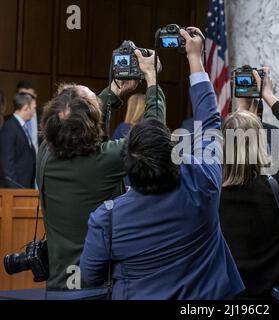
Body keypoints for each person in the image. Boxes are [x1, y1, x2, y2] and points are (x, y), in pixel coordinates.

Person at [80, 27, 244, 300]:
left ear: (126, 169)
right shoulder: (204, 183)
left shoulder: (106, 219)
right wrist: (194, 59)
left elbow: (91, 277)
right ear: (175, 155)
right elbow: (210, 125)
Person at [37, 48, 166, 300]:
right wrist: (152, 78)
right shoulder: (105, 159)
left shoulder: (45, 151)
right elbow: (153, 134)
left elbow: (73, 120)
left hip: (56, 289)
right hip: (96, 289)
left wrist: (115, 91)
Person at [219, 67, 279, 299]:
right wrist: (268, 95)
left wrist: (241, 111)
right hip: (271, 295)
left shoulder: (212, 188)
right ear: (260, 141)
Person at [0, 93, 37, 189]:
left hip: (25, 185)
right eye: (33, 108)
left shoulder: (21, 126)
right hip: (16, 188)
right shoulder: (10, 127)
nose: (34, 112)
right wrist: (15, 189)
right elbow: (7, 162)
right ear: (26, 108)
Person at [17, 80, 40, 152]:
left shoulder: (45, 118)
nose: (26, 100)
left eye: (29, 97)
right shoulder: (8, 122)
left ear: (35, 96)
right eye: (22, 96)